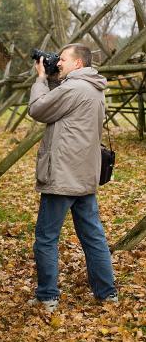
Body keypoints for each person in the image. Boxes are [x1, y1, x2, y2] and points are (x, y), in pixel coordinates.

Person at [27, 43, 117, 313]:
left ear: (78, 64)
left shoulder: (74, 88)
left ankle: (47, 296)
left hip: (64, 176)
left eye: (63, 59)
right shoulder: (93, 87)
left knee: (46, 238)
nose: (59, 63)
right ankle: (107, 293)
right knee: (93, 237)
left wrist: (41, 78)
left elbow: (38, 109)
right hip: (83, 174)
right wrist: (55, 78)